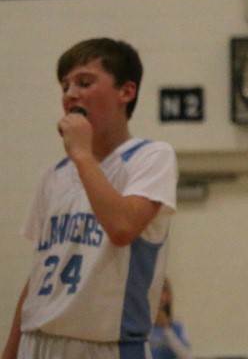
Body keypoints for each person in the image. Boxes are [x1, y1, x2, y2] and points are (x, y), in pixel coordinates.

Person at [2, 37, 178, 359]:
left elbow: (122, 227)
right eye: (65, 86)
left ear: (126, 92)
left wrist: (82, 154)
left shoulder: (151, 156)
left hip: (106, 347)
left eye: (84, 83)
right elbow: (38, 276)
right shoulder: (53, 176)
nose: (70, 94)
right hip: (36, 342)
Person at [149, 279, 192, 359]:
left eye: (162, 290)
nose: (158, 295)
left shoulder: (178, 325)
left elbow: (186, 356)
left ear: (169, 296)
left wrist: (166, 329)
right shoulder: (142, 327)